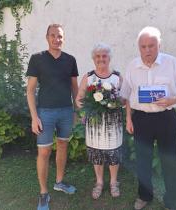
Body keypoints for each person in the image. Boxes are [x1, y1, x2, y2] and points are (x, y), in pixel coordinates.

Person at [120, 26, 176, 210]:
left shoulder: (172, 63)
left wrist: (173, 99)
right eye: (143, 46)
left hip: (166, 119)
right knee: (143, 161)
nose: (147, 50)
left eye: (151, 46)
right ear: (139, 47)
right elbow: (126, 95)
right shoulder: (132, 66)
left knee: (170, 161)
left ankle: (172, 201)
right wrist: (128, 119)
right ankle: (144, 196)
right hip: (141, 120)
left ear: (159, 45)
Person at [26, 24, 79, 210]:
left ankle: (59, 182)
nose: (57, 39)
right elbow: (30, 91)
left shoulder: (70, 60)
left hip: (65, 111)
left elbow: (75, 88)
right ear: (47, 37)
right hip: (45, 113)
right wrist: (34, 117)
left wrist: (75, 111)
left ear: (63, 38)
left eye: (60, 36)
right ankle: (43, 193)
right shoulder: (37, 59)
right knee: (44, 152)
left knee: (63, 145)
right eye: (53, 35)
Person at [76, 43, 123, 200]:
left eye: (104, 56)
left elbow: (125, 99)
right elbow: (79, 99)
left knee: (113, 153)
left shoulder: (117, 77)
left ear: (109, 58)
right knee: (97, 154)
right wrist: (88, 108)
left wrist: (115, 101)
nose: (101, 59)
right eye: (98, 56)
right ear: (93, 59)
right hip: (94, 124)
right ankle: (99, 182)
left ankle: (114, 182)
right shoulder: (89, 77)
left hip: (113, 123)